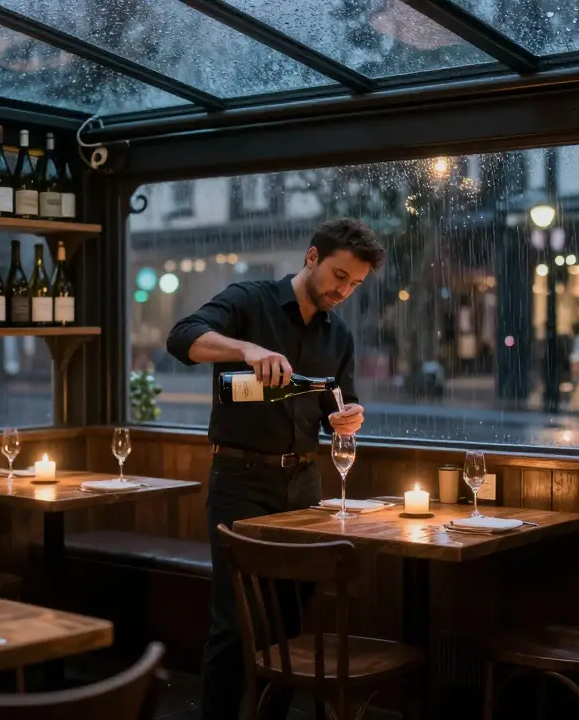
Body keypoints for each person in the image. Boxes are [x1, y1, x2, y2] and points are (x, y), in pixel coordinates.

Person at [165, 217, 384, 720]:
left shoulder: (339, 334)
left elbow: (337, 410)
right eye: (338, 275)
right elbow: (182, 338)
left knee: (289, 623)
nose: (343, 290)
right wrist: (246, 348)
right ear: (311, 258)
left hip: (304, 485)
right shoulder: (250, 299)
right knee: (234, 623)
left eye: (354, 284)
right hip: (240, 480)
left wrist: (348, 418)